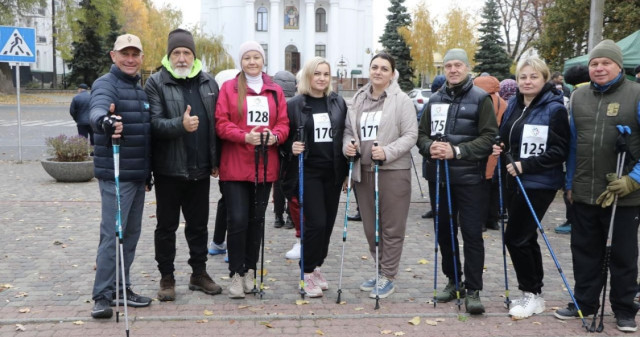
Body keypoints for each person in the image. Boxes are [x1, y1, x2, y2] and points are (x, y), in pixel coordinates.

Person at [555, 39, 640, 333]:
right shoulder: (578, 98)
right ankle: (585, 302)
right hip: (584, 190)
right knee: (584, 251)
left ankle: (624, 309)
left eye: (605, 63)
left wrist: (633, 179)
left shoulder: (636, 94)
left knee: (622, 254)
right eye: (594, 63)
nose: (599, 68)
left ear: (618, 66)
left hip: (623, 195)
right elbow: (574, 147)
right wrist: (569, 184)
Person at [417, 48, 498, 314]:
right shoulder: (435, 99)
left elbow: (489, 138)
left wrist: (458, 151)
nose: (453, 70)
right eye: (448, 66)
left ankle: (473, 288)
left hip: (470, 178)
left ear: (467, 67)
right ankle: (454, 281)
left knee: (472, 234)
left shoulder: (481, 98)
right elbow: (421, 134)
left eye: (458, 65)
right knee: (444, 233)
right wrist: (430, 147)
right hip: (439, 177)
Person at [144, 28, 223, 301]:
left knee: (199, 226)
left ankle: (198, 274)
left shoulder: (209, 82)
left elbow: (216, 125)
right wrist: (181, 124)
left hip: (200, 170)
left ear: (193, 55)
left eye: (186, 52)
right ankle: (166, 277)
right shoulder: (156, 83)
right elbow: (153, 124)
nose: (181, 58)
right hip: (168, 170)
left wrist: (216, 160)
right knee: (166, 227)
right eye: (176, 52)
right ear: (169, 55)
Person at [492, 56, 570, 319]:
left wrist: (527, 165)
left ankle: (530, 293)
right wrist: (500, 146)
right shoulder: (514, 103)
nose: (527, 81)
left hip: (539, 182)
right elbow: (506, 137)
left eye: (533, 76)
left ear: (544, 79)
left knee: (515, 237)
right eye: (523, 77)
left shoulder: (554, 108)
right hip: (514, 179)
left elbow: (560, 150)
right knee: (525, 236)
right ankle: (534, 294)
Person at [215, 41, 289, 299]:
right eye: (247, 57)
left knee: (256, 221)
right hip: (235, 164)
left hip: (264, 165)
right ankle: (235, 273)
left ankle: (248, 271)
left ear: (263, 60)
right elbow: (221, 123)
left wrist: (275, 136)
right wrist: (244, 136)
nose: (252, 62)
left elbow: (283, 124)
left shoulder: (275, 91)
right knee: (236, 220)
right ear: (241, 61)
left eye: (256, 57)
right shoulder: (229, 88)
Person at [343, 52, 418, 299]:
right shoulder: (358, 98)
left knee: (391, 227)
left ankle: (388, 274)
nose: (378, 72)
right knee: (370, 227)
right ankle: (379, 269)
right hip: (363, 171)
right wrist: (348, 146)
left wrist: (387, 152)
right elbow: (348, 131)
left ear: (392, 73)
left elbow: (410, 135)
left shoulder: (401, 100)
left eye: (384, 69)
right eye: (374, 67)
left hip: (392, 171)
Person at [88, 33, 152, 319]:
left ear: (141, 57)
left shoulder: (139, 88)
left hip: (137, 175)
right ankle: (102, 295)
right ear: (113, 56)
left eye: (135, 54)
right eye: (124, 53)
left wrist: (147, 173)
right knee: (113, 235)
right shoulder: (106, 83)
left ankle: (120, 288)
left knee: (131, 235)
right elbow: (98, 108)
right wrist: (105, 121)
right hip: (116, 175)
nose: (130, 59)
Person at [280, 56, 348, 297]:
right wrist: (290, 147)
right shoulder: (295, 104)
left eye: (326, 74)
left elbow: (345, 135)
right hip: (308, 171)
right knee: (316, 222)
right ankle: (306, 271)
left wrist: (348, 168)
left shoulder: (338, 102)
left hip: (333, 172)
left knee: (328, 225)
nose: (321, 78)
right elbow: (283, 137)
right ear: (308, 76)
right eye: (317, 74)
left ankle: (317, 265)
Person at [208, 68, 241, 260]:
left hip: (226, 158)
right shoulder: (226, 102)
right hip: (229, 158)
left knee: (227, 201)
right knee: (233, 204)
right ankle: (229, 246)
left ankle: (218, 241)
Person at [553, 65, 591, 235]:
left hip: (576, 150)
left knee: (572, 185)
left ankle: (572, 221)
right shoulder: (585, 92)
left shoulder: (577, 94)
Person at [474, 75, 507, 232]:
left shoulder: (477, 101)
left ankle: (479, 221)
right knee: (494, 184)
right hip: (497, 147)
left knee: (480, 186)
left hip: (480, 147)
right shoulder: (503, 103)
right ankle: (492, 219)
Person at [272, 70, 297, 230]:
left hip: (276, 145)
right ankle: (289, 216)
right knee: (291, 181)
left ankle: (277, 216)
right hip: (291, 147)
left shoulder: (275, 101)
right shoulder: (296, 102)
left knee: (278, 182)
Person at [421, 75, 446, 220]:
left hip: (443, 150)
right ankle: (434, 208)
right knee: (433, 180)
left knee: (436, 181)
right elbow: (421, 124)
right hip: (432, 148)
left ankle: (437, 208)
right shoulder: (432, 101)